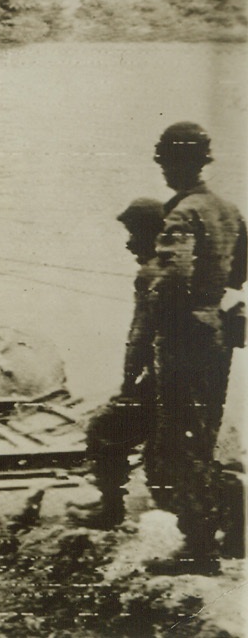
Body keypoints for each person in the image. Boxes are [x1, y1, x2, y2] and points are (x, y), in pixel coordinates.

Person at [146, 121, 246, 575]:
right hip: (217, 333)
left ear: (179, 163)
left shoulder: (182, 214)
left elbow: (172, 280)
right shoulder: (227, 209)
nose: (165, 172)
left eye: (167, 162)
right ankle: (230, 530)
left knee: (179, 436)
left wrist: (153, 319)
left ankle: (199, 547)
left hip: (184, 337)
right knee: (204, 432)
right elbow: (241, 272)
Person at [68, 198, 167, 529]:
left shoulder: (149, 274)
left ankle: (110, 510)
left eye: (133, 234)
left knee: (103, 429)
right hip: (191, 379)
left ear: (152, 234)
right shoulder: (185, 268)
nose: (128, 243)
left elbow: (138, 338)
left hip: (161, 381)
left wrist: (127, 389)